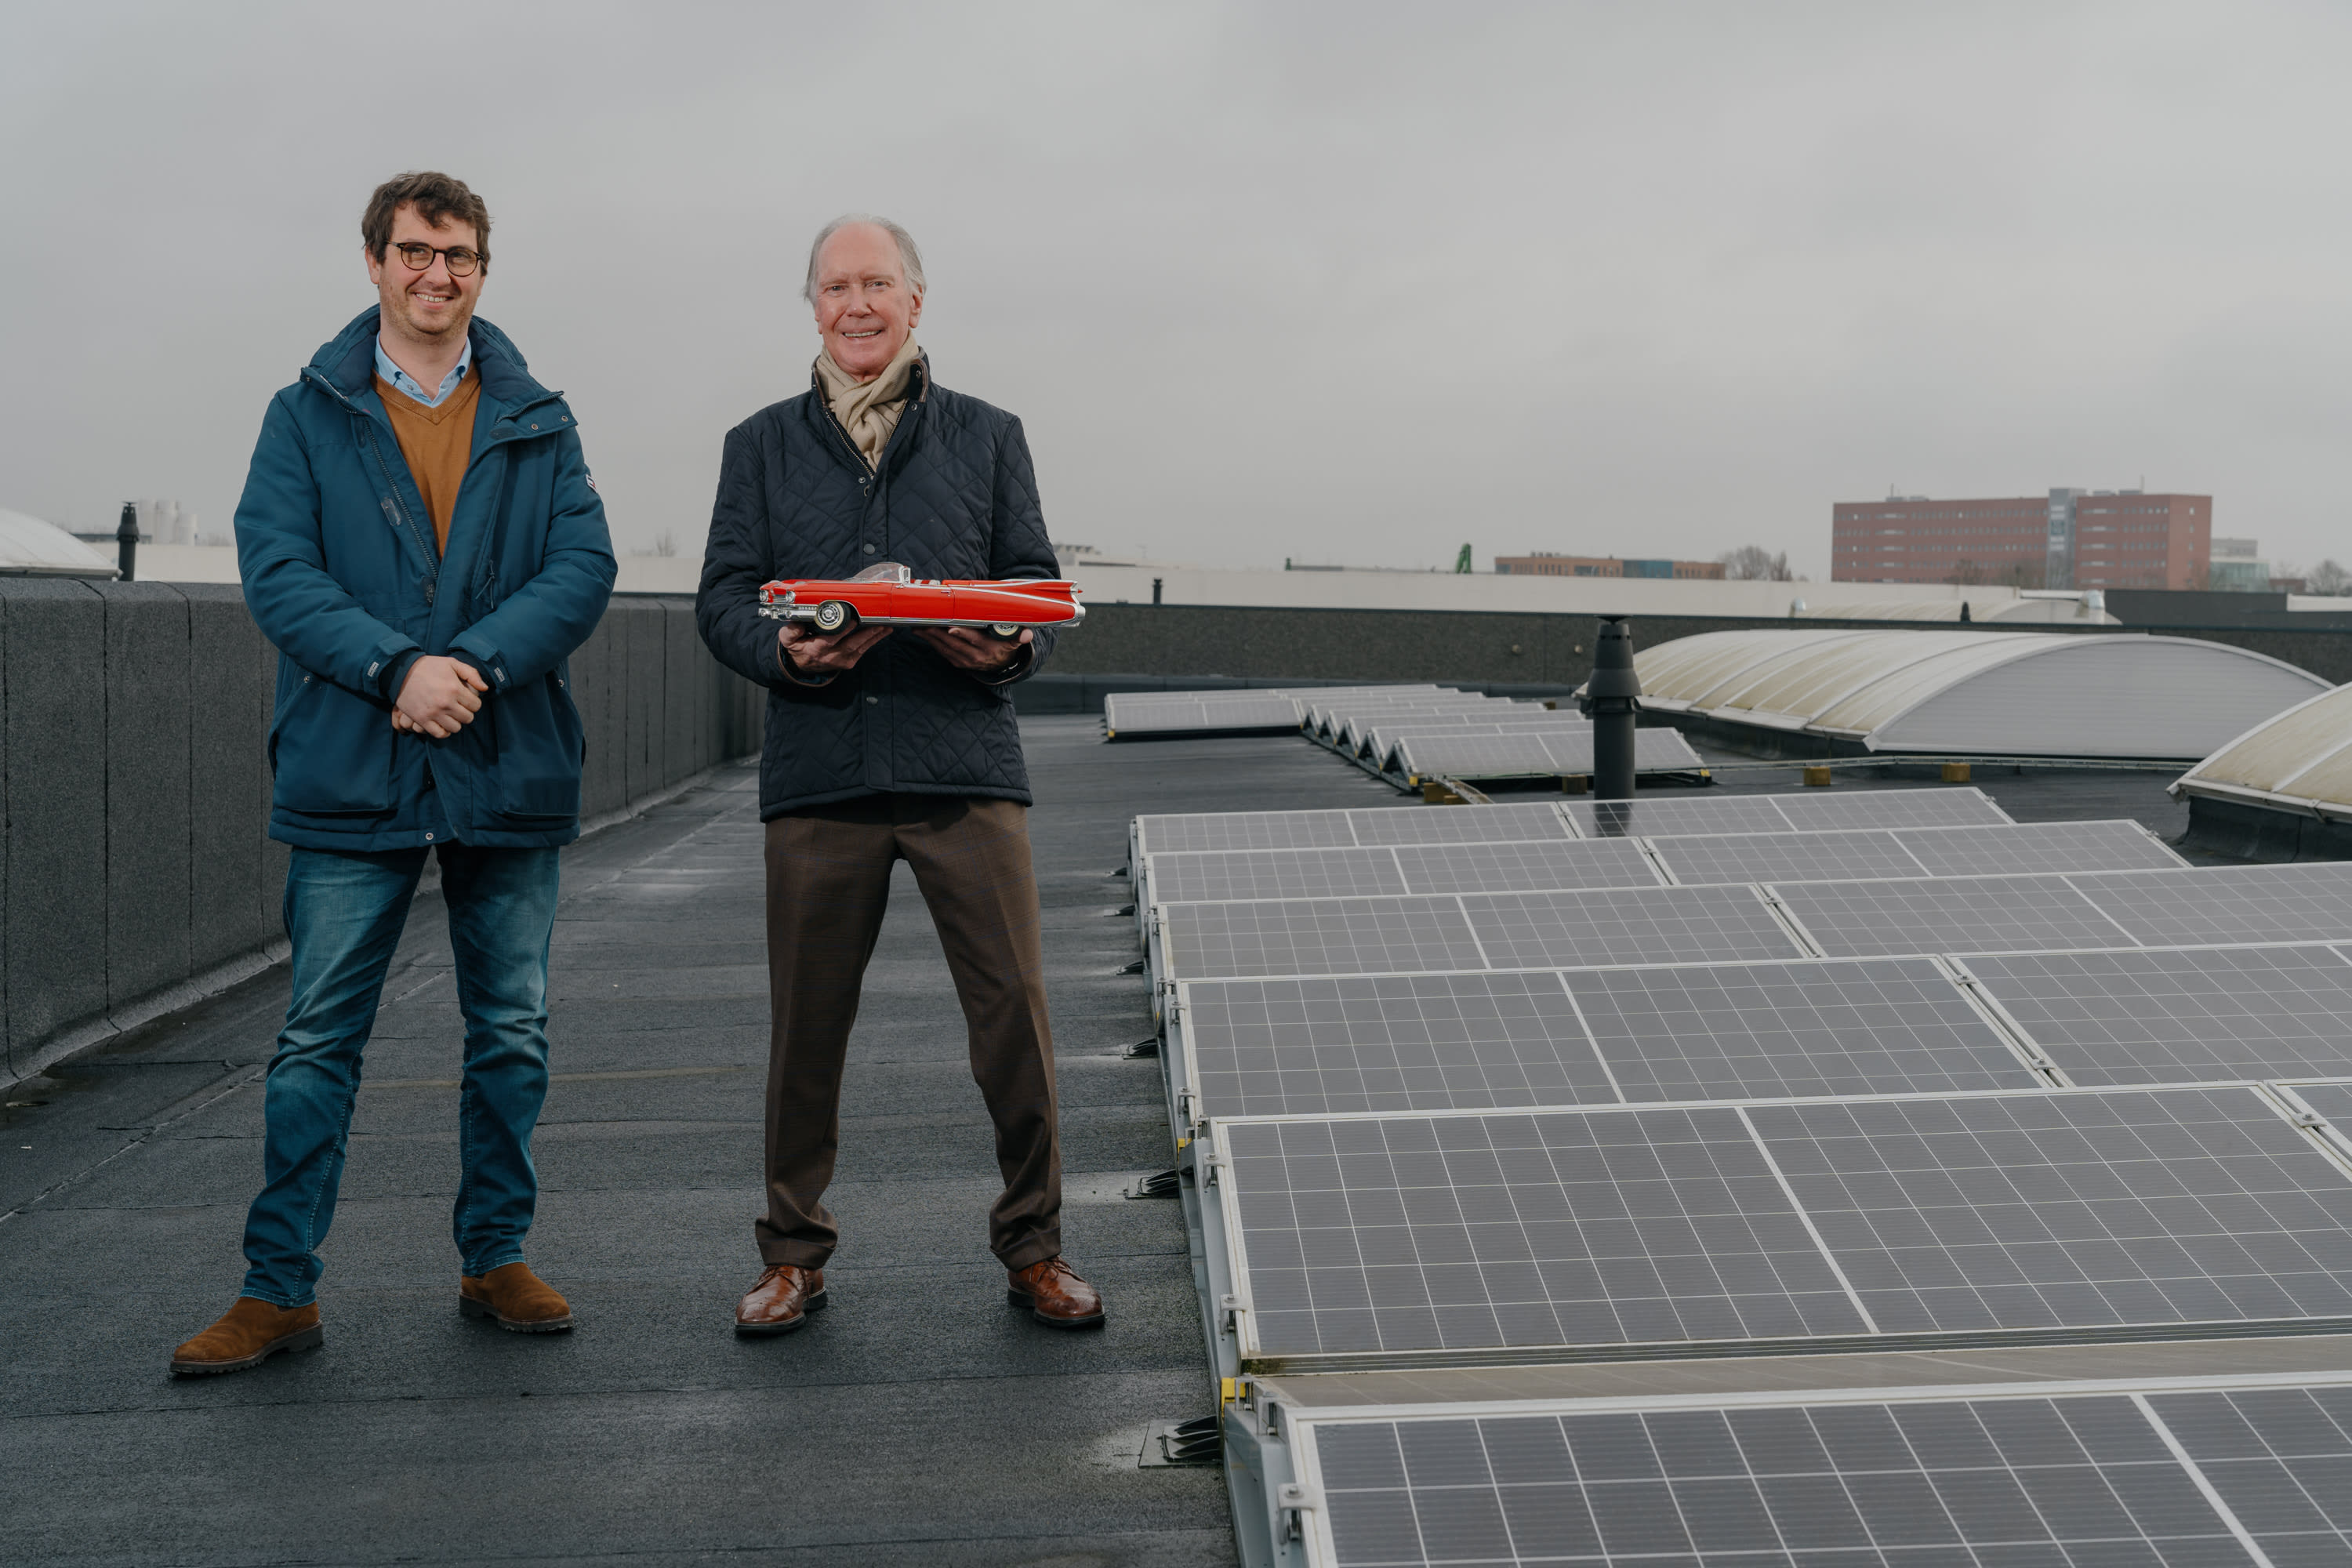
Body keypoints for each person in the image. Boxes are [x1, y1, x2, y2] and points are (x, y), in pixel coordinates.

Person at [171, 172, 616, 1375]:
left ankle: (496, 1257)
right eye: (415, 251)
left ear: (483, 269)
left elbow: (581, 567)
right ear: (374, 261)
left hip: (504, 758)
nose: (436, 273)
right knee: (318, 1037)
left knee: (510, 1031)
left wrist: (469, 666)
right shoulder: (305, 414)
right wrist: (393, 669)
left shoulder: (538, 417)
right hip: (352, 764)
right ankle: (278, 1290)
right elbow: (278, 570)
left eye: (458, 254)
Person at [695, 215, 1102, 1336]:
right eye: (837, 287)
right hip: (820, 771)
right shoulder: (758, 445)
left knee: (1014, 1019)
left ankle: (1036, 1247)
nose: (857, 305)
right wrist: (786, 652)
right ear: (814, 306)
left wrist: (1006, 648)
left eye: (878, 283)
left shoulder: (989, 435)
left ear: (916, 300)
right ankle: (792, 1256)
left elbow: (1036, 587)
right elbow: (723, 600)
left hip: (963, 762)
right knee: (805, 1031)